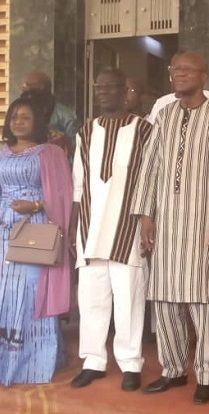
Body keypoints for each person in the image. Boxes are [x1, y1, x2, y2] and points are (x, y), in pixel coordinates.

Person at [131, 51, 209, 404]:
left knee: (205, 302)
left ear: (204, 75)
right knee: (164, 300)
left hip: (204, 225)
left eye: (186, 69)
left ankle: (206, 376)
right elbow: (149, 166)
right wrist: (145, 215)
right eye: (174, 69)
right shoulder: (164, 115)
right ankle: (173, 370)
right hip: (166, 226)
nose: (178, 74)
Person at [0, 93, 73, 386]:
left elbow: (63, 195)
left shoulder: (50, 153)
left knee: (34, 292)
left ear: (38, 122)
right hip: (6, 231)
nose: (18, 122)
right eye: (14, 117)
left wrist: (35, 205)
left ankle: (37, 361)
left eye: (25, 118)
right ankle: (5, 361)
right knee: (9, 292)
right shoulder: (2, 153)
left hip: (36, 230)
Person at [69, 69, 152, 392]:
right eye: (99, 87)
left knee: (129, 298)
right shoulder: (86, 131)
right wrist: (74, 228)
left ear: (125, 90)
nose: (103, 91)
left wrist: (147, 221)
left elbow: (151, 181)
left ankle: (130, 363)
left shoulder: (144, 129)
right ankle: (93, 361)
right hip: (90, 228)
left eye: (110, 87)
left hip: (128, 229)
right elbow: (78, 185)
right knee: (91, 298)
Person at [145, 52, 209, 125]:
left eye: (187, 69)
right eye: (176, 69)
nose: (180, 73)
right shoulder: (161, 103)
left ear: (202, 76)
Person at [21, 70, 81, 157]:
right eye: (24, 86)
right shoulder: (19, 115)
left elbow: (76, 149)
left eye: (29, 85)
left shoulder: (67, 116)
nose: (25, 90)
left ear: (42, 87)